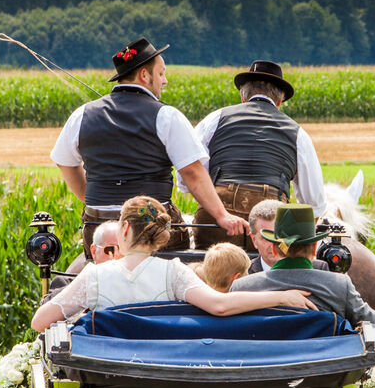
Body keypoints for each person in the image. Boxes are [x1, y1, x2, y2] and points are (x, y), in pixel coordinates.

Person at [50, 36, 248, 258]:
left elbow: (65, 163)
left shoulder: (82, 114)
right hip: (149, 230)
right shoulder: (166, 116)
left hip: (98, 228)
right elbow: (192, 172)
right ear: (144, 75)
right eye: (161, 73)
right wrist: (221, 215)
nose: (164, 81)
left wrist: (94, 200)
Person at [31, 196, 313, 332]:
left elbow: (40, 322)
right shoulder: (173, 272)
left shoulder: (94, 276)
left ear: (125, 229)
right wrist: (281, 296)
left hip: (105, 376)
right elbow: (220, 305)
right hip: (160, 375)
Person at [187, 60, 326, 250]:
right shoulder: (298, 133)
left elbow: (188, 173)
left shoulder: (215, 118)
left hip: (217, 219)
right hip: (271, 224)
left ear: (243, 97)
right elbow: (313, 203)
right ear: (279, 102)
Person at [231, 204, 375, 348]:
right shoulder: (339, 286)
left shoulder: (242, 287)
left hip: (261, 375)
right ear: (315, 248)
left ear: (274, 249)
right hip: (323, 377)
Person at [247, 199, 328, 274]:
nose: (273, 245)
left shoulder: (319, 269)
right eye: (265, 238)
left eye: (279, 237)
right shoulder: (245, 272)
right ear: (254, 240)